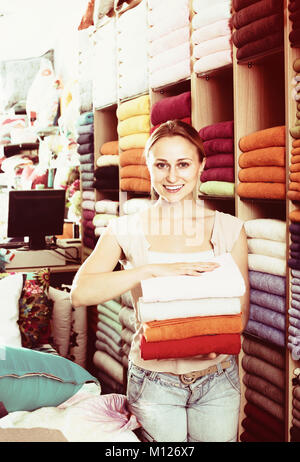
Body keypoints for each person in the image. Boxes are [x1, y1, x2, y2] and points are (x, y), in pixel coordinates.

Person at [71, 120, 250, 442]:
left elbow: (241, 311)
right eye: (161, 165)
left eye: (183, 164)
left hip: (218, 378)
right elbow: (80, 294)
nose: (172, 177)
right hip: (155, 381)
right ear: (148, 166)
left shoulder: (229, 228)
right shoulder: (125, 229)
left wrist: (210, 341)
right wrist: (149, 271)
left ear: (201, 165)